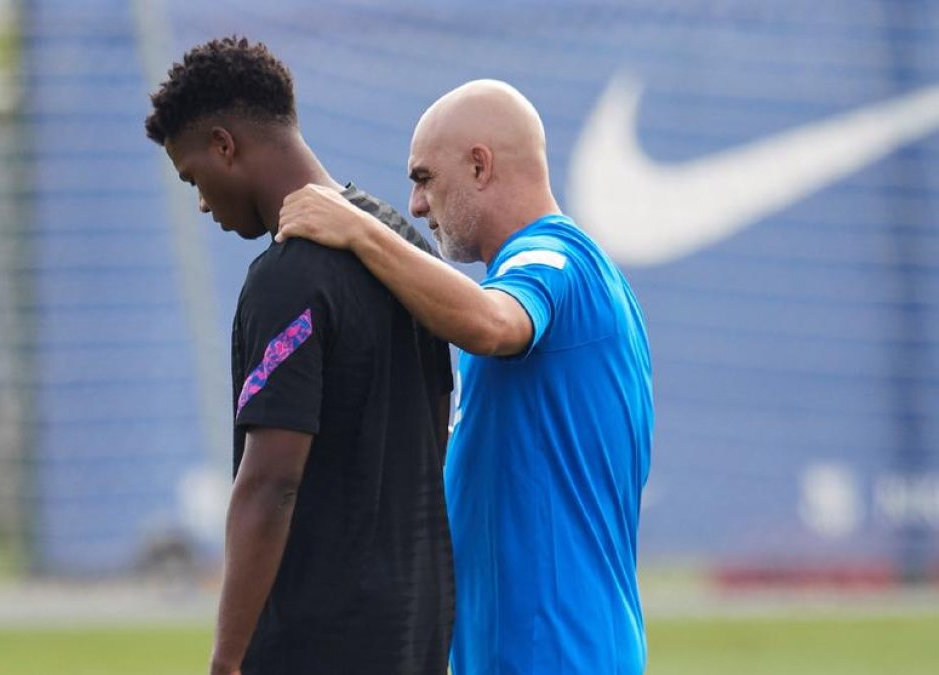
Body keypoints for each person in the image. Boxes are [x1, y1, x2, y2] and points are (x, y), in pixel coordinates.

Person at [278, 79, 653, 674]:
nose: (417, 205)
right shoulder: (550, 274)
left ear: (480, 166)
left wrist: (358, 231)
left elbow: (492, 322)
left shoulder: (553, 257)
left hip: (556, 656)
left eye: (424, 178)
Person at [144, 37, 454, 675]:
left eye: (194, 176)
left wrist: (227, 659)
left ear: (225, 145)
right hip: (419, 628)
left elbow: (271, 482)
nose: (201, 202)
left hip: (322, 639)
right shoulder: (401, 245)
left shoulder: (289, 278)